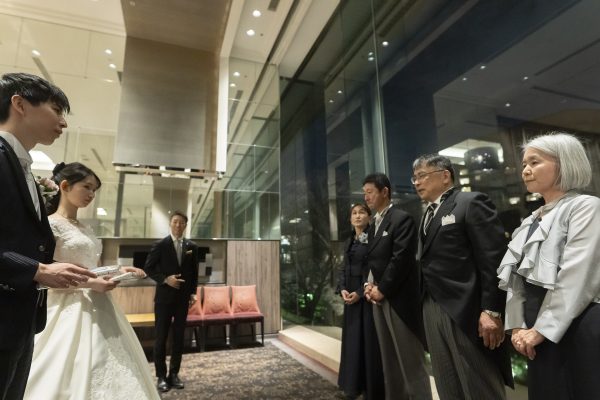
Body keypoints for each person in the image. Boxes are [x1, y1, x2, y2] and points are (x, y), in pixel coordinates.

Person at [24, 162, 160, 399]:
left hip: (100, 305)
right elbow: (47, 273)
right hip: (65, 307)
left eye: (94, 190)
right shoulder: (50, 225)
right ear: (65, 186)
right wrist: (90, 283)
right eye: (87, 187)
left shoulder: (86, 228)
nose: (91, 194)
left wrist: (118, 270)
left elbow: (92, 269)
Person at [0, 73, 96, 400]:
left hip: (21, 319)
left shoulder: (24, 168)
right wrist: (38, 270)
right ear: (19, 104)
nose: (63, 123)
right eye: (56, 110)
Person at [498, 133, 600, 400]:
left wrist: (541, 329)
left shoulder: (586, 207)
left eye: (535, 162)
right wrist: (517, 326)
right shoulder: (531, 220)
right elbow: (516, 278)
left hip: (575, 321)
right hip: (535, 329)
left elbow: (578, 273)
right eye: (524, 164)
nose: (526, 170)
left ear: (565, 163)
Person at [412, 154, 513, 399]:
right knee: (447, 384)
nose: (416, 182)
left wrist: (492, 310)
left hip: (467, 310)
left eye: (422, 176)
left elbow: (493, 259)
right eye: (414, 178)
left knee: (478, 384)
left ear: (445, 175)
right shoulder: (428, 214)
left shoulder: (471, 202)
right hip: (431, 306)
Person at [362, 173, 432, 400]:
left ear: (385, 191)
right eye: (364, 193)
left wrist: (382, 289)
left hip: (399, 300)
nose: (366, 198)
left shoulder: (402, 219)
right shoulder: (373, 224)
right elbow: (371, 260)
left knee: (411, 363)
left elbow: (400, 260)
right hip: (378, 298)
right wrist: (368, 284)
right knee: (389, 362)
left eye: (370, 192)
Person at [145, 211, 199, 392]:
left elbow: (194, 273)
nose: (178, 225)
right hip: (164, 299)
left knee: (178, 337)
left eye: (181, 223)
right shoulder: (160, 245)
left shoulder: (192, 247)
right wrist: (166, 279)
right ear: (170, 223)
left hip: (183, 300)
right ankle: (161, 376)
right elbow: (149, 268)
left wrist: (193, 293)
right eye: (175, 222)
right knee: (161, 337)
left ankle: (174, 374)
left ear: (185, 226)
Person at [336, 203, 384, 400]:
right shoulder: (349, 241)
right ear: (350, 219)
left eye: (362, 212)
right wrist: (342, 288)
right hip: (350, 297)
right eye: (354, 213)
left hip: (366, 296)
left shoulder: (374, 238)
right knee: (352, 342)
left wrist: (359, 292)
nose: (357, 216)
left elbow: (373, 268)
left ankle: (370, 390)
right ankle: (352, 386)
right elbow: (343, 268)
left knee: (368, 343)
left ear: (369, 217)